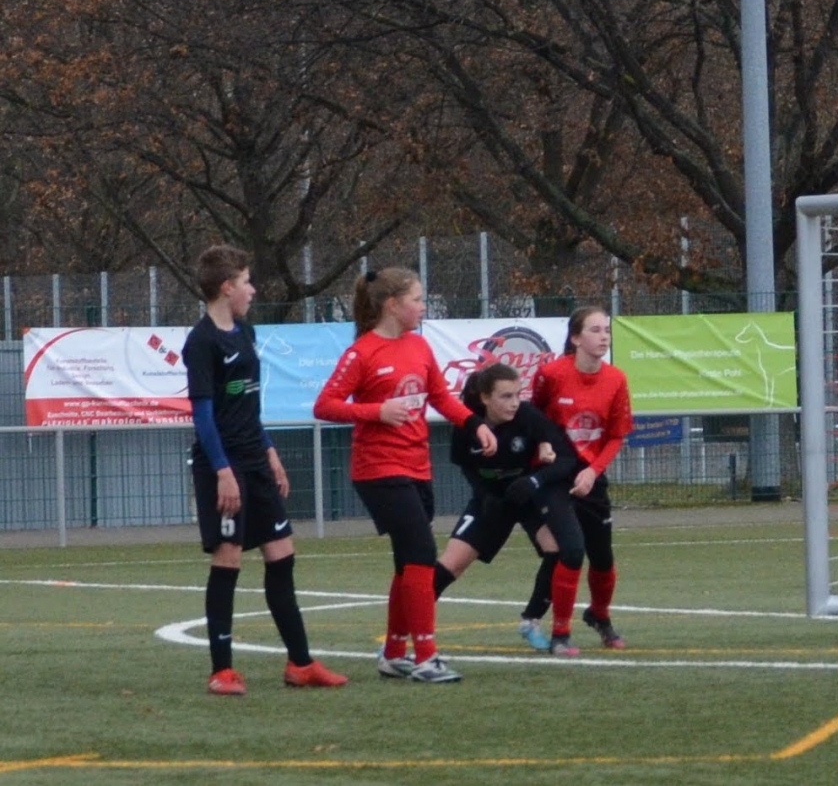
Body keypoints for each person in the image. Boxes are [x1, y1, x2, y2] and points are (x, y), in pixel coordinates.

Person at [313, 266, 495, 683]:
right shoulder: (363, 352)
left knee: (407, 561)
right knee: (420, 553)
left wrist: (475, 424)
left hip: (416, 466)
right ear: (393, 305)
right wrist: (376, 411)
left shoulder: (419, 346)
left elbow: (442, 397)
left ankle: (395, 652)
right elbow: (325, 405)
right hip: (378, 469)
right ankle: (426, 657)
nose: (423, 307)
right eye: (417, 299)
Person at [183, 244, 348, 696]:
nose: (253, 289)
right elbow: (203, 416)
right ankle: (222, 671)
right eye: (246, 281)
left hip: (256, 460)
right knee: (229, 557)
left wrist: (270, 451)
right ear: (226, 287)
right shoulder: (201, 342)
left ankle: (300, 664)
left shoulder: (245, 332)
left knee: (281, 555)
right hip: (223, 465)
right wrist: (223, 471)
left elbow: (249, 406)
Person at [436, 363, 591, 655]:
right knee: (451, 564)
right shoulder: (467, 424)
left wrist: (534, 480)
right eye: (506, 396)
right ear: (485, 398)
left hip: (526, 497)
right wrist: (484, 495)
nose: (515, 403)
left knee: (557, 549)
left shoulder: (527, 416)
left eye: (518, 394)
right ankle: (406, 631)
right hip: (491, 502)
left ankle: (531, 620)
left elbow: (566, 458)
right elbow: (466, 466)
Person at [515, 306, 634, 652]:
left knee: (603, 559)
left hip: (591, 477)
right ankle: (560, 633)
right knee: (572, 550)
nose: (604, 337)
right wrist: (544, 449)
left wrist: (593, 471)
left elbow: (616, 435)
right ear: (576, 338)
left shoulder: (616, 379)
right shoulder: (552, 374)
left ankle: (599, 615)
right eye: (595, 330)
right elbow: (533, 418)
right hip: (555, 478)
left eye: (607, 330)